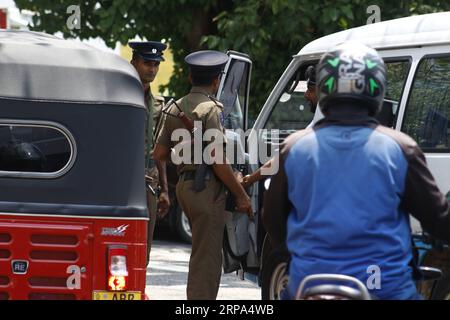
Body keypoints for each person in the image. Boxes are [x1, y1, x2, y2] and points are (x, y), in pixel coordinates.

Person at [262, 41, 450, 300]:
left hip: (308, 286)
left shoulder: (294, 147)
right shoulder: (401, 148)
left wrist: (305, 259)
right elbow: (438, 221)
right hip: (386, 290)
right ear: (376, 88)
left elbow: (272, 220)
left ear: (325, 88)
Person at [153, 50, 253, 300]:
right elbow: (218, 161)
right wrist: (241, 195)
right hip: (205, 188)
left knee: (200, 252)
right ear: (217, 81)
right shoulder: (211, 109)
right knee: (207, 258)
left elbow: (159, 153)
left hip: (185, 189)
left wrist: (186, 153)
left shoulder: (173, 108)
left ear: (189, 76)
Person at [241, 65, 319, 189]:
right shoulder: (322, 122)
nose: (305, 95)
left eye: (311, 89)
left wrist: (249, 179)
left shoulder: (321, 125)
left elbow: (280, 160)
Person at [129, 41, 170, 264]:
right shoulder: (119, 95)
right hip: (122, 180)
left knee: (144, 248)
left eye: (155, 64)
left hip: (149, 180)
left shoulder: (158, 104)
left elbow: (159, 149)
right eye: (147, 63)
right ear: (134, 62)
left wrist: (165, 188)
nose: (152, 69)